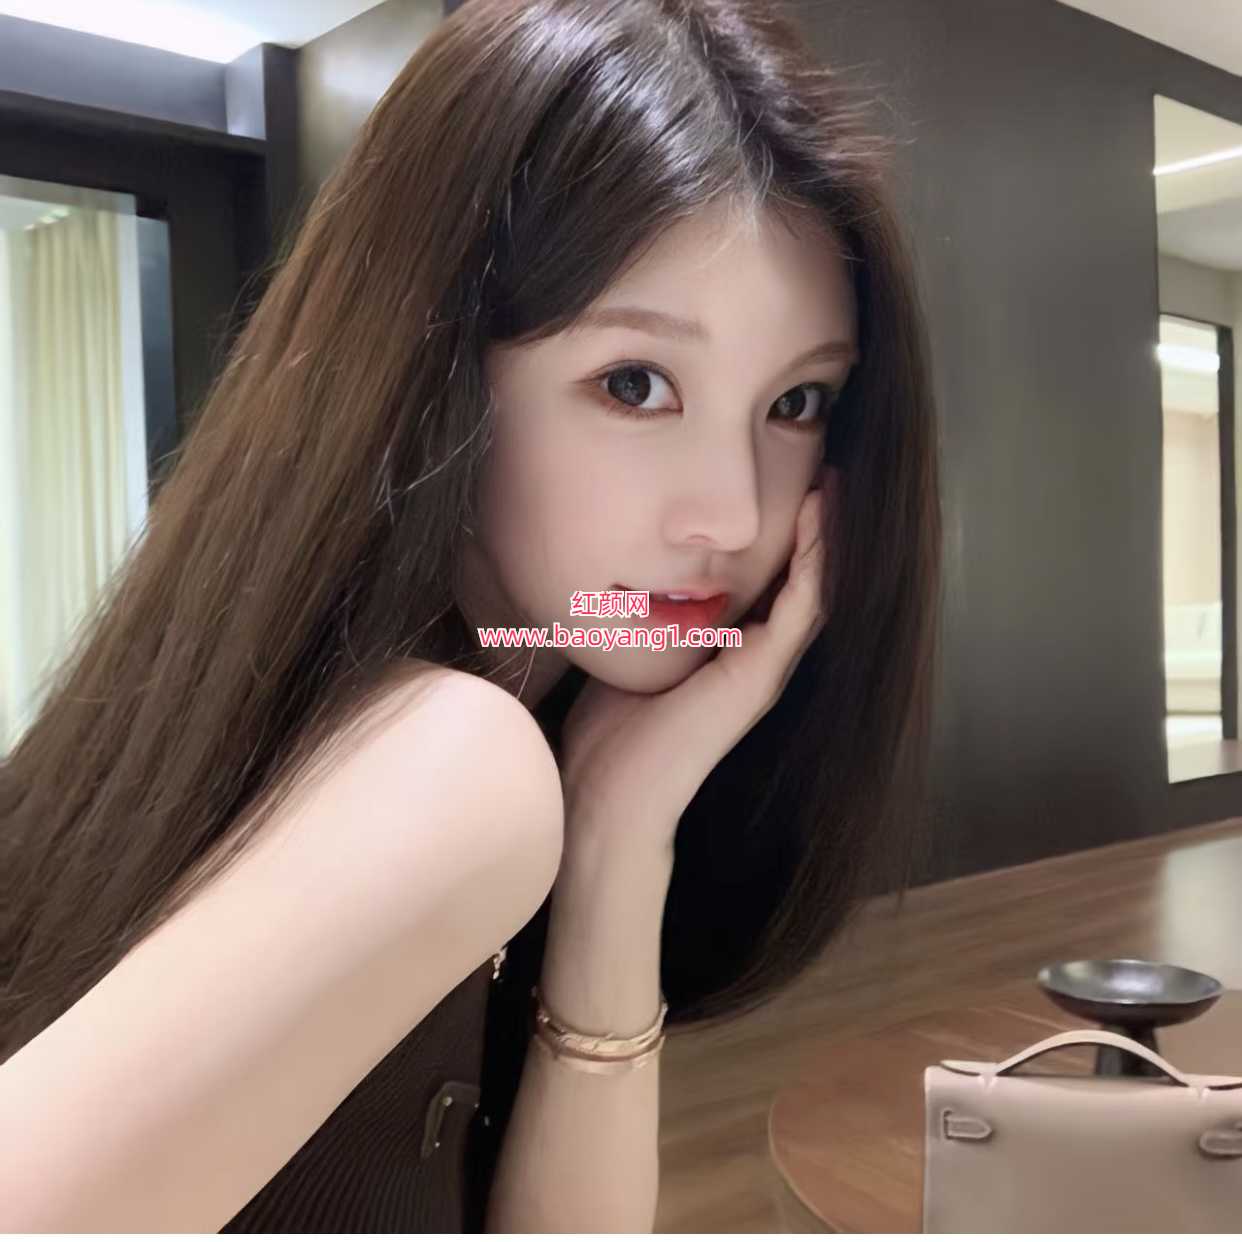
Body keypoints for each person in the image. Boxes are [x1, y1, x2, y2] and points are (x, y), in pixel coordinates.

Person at [0, 0, 941, 1231]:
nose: (732, 512)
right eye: (635, 384)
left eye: (797, 402)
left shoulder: (354, 715)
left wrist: (616, 829)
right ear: (436, 371)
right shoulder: (450, 758)